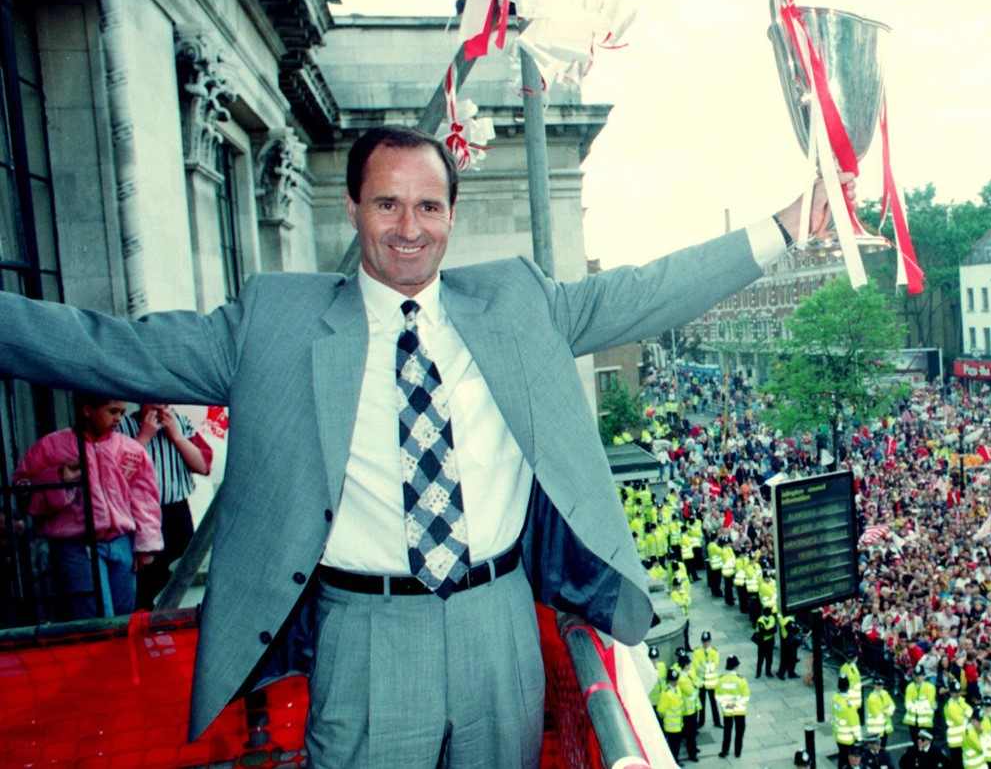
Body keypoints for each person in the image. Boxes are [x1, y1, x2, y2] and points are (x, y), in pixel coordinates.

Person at [0, 124, 830, 767]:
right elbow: (105, 346)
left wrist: (784, 229)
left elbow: (646, 291)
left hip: (499, 626)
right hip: (362, 636)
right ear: (354, 208)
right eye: (386, 204)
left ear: (451, 217)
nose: (409, 228)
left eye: (428, 206)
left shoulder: (516, 302)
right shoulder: (275, 323)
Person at [12, 394, 163, 620]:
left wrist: (145, 544)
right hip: (77, 545)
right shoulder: (52, 446)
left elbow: (144, 498)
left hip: (121, 541)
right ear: (87, 410)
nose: (118, 419)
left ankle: (118, 655)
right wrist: (60, 477)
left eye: (122, 413)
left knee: (123, 614)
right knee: (96, 617)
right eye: (112, 412)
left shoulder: (129, 449)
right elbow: (23, 490)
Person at [118, 403, 213, 610]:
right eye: (154, 400)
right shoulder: (123, 426)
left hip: (177, 511)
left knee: (181, 570)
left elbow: (203, 466)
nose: (161, 405)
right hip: (140, 515)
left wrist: (177, 437)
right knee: (149, 578)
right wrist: (144, 436)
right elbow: (116, 474)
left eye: (165, 400)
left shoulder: (180, 422)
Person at [717, 654, 750, 759]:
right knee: (739, 732)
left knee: (727, 731)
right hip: (739, 710)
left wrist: (727, 705)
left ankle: (724, 751)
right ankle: (737, 752)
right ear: (736, 666)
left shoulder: (721, 679)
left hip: (727, 709)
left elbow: (718, 696)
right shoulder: (741, 680)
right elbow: (746, 697)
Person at [693, 630, 723, 729]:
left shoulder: (714, 651)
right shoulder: (697, 651)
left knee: (713, 702)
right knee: (702, 702)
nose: (705, 643)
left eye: (707, 641)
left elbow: (715, 664)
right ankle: (701, 721)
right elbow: (696, 665)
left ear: (710, 641)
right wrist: (707, 668)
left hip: (711, 681)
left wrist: (704, 667)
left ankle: (717, 721)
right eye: (704, 641)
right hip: (701, 681)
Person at [834, 674, 864, 764]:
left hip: (838, 734)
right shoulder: (849, 705)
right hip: (847, 738)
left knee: (841, 757)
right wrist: (859, 738)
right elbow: (854, 723)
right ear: (848, 686)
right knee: (848, 761)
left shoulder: (835, 698)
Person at [866, 677, 896, 747]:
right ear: (874, 685)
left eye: (881, 685)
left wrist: (885, 711)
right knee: (876, 746)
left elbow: (892, 705)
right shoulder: (871, 698)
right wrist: (887, 711)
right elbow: (877, 715)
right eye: (878, 685)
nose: (879, 687)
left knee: (883, 745)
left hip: (885, 726)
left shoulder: (885, 693)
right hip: (877, 727)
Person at [755, 605, 779, 677]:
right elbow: (763, 631)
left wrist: (767, 631)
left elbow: (774, 630)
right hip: (763, 641)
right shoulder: (760, 620)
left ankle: (766, 672)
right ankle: (760, 673)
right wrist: (769, 631)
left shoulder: (771, 618)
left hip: (768, 641)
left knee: (768, 658)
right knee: (761, 658)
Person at [777, 611, 801, 679]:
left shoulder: (782, 618)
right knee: (791, 658)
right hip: (790, 641)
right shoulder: (789, 620)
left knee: (784, 658)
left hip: (785, 640)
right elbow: (794, 629)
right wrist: (797, 627)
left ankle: (781, 673)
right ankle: (790, 673)